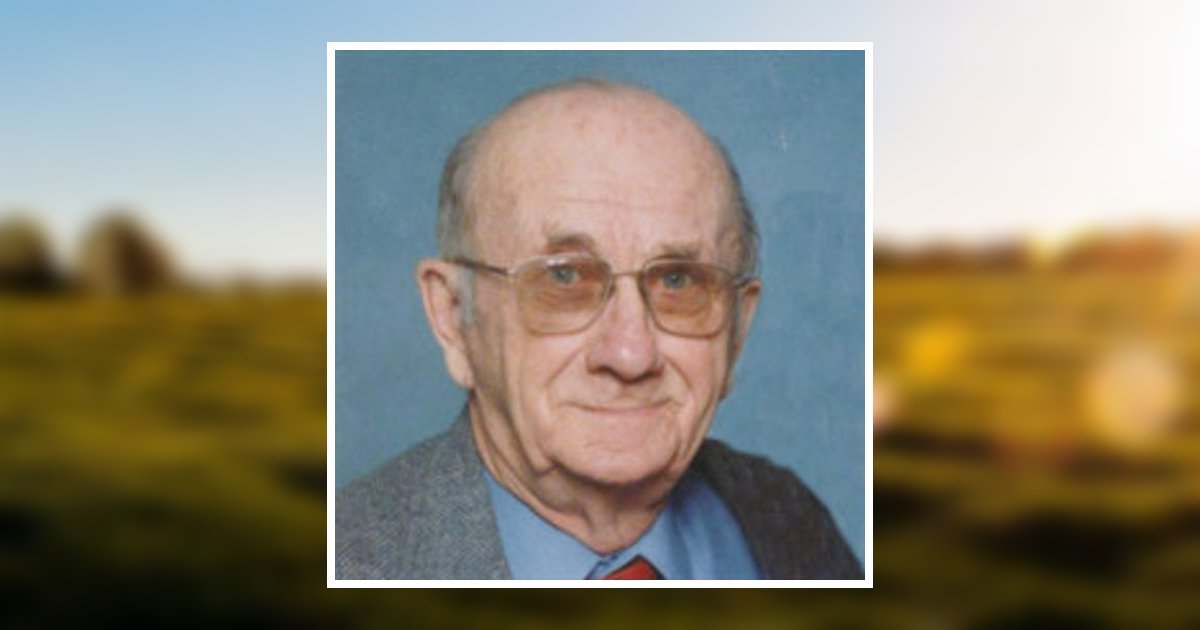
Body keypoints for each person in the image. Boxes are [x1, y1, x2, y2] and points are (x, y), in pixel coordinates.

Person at [336, 79, 861, 580]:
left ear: (737, 329)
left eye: (677, 281)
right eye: (564, 277)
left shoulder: (790, 520)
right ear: (452, 316)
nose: (631, 355)